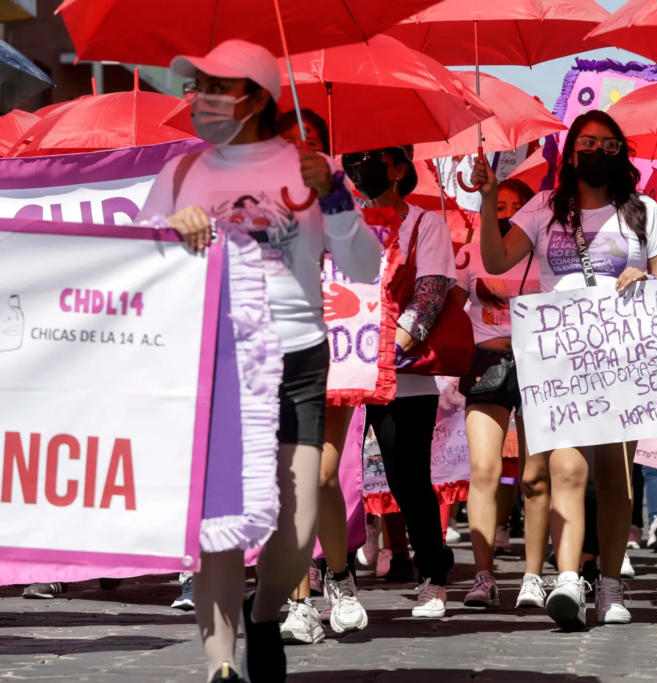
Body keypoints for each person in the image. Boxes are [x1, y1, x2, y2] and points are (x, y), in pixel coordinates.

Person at [136, 40, 381, 683]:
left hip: (297, 358)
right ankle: (219, 663)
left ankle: (265, 611)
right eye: (200, 87)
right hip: (216, 360)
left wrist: (335, 200)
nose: (204, 99)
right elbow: (136, 266)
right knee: (219, 524)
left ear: (257, 97)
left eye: (219, 87)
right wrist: (171, 232)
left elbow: (364, 267)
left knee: (296, 528)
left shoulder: (311, 169)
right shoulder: (181, 174)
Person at [471, 109, 657, 629]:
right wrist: (489, 201)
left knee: (614, 477)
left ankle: (609, 586)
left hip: (622, 360)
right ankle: (567, 579)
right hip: (558, 362)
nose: (597, 152)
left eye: (609, 144)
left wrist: (646, 281)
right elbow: (496, 262)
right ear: (570, 152)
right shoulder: (543, 209)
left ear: (622, 153)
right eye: (587, 142)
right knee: (565, 468)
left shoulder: (645, 213)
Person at [341, 143, 457, 619]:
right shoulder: (340, 222)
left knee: (407, 478)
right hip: (343, 370)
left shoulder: (425, 223)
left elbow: (430, 292)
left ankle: (432, 575)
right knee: (336, 478)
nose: (360, 167)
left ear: (399, 169)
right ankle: (335, 578)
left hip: (402, 375)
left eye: (372, 160)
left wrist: (388, 349)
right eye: (354, 159)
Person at [273, 109, 368, 645]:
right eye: (288, 141)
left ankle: (340, 577)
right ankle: (299, 602)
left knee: (324, 476)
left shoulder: (341, 202)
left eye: (309, 140)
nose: (298, 149)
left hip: (340, 349)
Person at [456, 178, 549, 609]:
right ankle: (483, 576)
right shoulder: (471, 252)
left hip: (538, 366)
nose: (507, 213)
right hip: (485, 367)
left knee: (534, 476)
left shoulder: (546, 253)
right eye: (499, 205)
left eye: (517, 206)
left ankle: (533, 576)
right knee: (483, 471)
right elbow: (450, 307)